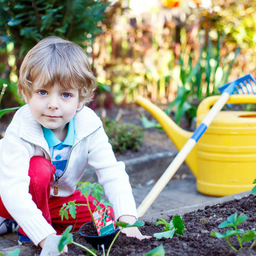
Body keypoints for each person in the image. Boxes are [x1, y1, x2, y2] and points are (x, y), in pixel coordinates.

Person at [0, 36, 149, 252]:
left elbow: (111, 172)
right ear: (25, 93)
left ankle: (37, 220)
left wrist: (128, 221)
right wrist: (47, 237)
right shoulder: (22, 129)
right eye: (42, 92)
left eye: (66, 95)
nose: (53, 104)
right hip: (8, 197)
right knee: (39, 169)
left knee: (103, 221)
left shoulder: (88, 124)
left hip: (57, 199)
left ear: (81, 99)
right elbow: (12, 190)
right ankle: (25, 228)